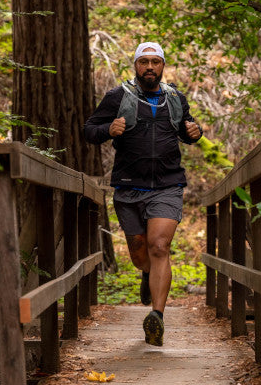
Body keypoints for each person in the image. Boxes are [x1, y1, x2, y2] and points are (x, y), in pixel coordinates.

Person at [84, 42, 203, 346]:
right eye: (144, 62)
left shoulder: (175, 98)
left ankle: (157, 317)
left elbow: (186, 129)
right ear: (135, 65)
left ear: (163, 65)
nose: (150, 67)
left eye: (156, 62)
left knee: (159, 245)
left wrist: (195, 132)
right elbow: (90, 130)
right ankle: (147, 273)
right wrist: (108, 129)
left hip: (167, 185)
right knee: (140, 252)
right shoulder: (117, 97)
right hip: (128, 186)